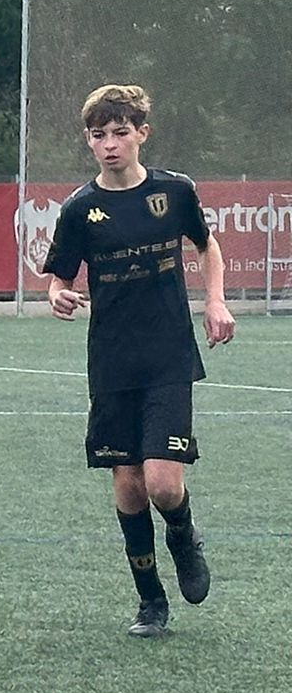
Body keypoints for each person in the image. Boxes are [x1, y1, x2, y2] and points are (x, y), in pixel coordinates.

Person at [42, 84, 234, 638]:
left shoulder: (175, 192)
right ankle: (151, 600)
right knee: (127, 485)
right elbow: (59, 277)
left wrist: (215, 300)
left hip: (169, 354)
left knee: (163, 486)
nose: (109, 144)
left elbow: (207, 246)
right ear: (89, 140)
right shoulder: (80, 208)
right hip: (112, 359)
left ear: (141, 134)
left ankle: (183, 533)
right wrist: (56, 294)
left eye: (120, 133)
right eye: (99, 135)